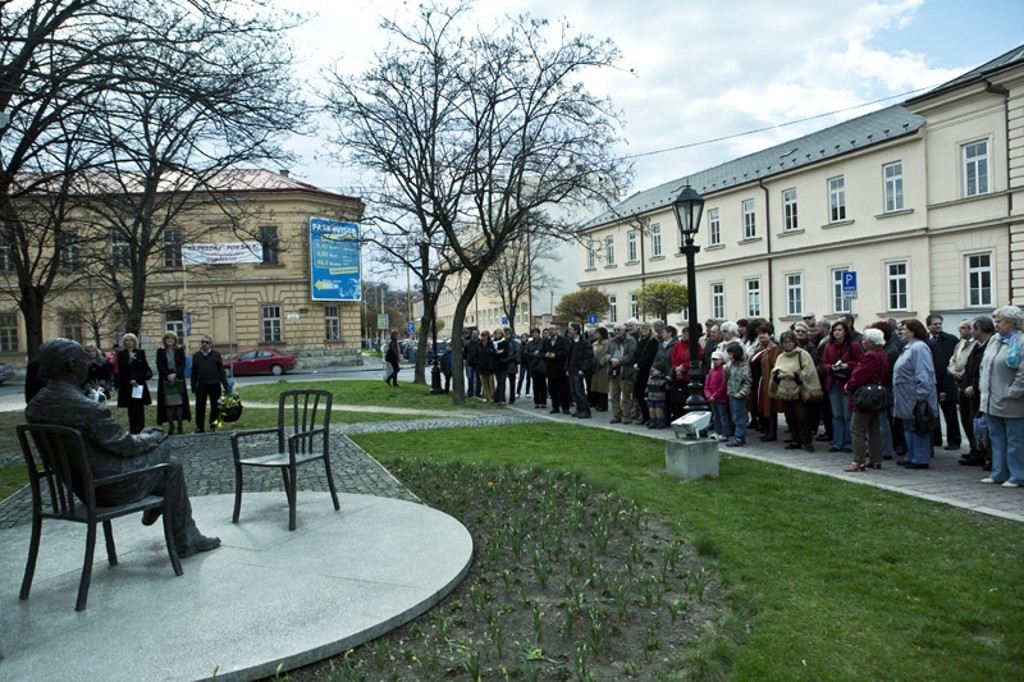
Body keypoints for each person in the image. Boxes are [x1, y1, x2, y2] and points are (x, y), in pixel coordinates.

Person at [25, 338, 220, 557]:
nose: (86, 365)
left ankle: (173, 523)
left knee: (171, 465)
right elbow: (125, 445)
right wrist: (152, 436)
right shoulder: (87, 409)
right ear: (71, 365)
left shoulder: (35, 408)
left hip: (81, 489)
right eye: (82, 361)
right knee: (165, 449)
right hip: (110, 487)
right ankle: (182, 535)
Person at [979, 306, 1024, 487]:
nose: (996, 325)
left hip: (1012, 400)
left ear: (1012, 323)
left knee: (1015, 440)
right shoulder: (994, 341)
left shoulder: (1020, 342)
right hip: (990, 399)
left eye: (1000, 321)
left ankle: (1017, 475)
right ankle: (998, 473)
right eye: (996, 321)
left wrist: (1013, 391)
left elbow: (1022, 372)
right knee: (996, 439)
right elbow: (984, 366)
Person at [893, 319, 939, 469]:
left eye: (904, 329)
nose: (901, 331)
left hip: (915, 395)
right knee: (908, 425)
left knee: (919, 426)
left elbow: (924, 372)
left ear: (913, 331)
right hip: (905, 394)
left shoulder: (919, 347)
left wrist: (922, 393)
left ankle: (920, 458)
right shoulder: (908, 347)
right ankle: (911, 455)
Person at [843, 328, 891, 471]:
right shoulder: (882, 354)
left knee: (857, 430)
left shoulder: (870, 356)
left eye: (864, 339)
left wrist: (848, 386)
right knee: (873, 429)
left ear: (871, 342)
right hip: (877, 394)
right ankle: (876, 459)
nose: (862, 342)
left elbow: (859, 376)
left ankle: (858, 460)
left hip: (866, 396)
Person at [768, 330, 822, 453]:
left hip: (798, 390)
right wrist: (778, 376)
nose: (787, 344)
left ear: (794, 342)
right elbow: (775, 372)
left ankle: (807, 441)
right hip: (785, 390)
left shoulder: (802, 354)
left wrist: (795, 375)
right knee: (789, 417)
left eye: (789, 342)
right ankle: (795, 440)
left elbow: (810, 372)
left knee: (802, 416)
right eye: (784, 342)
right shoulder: (781, 356)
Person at [822, 320, 864, 453]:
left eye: (840, 330)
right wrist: (831, 367)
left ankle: (848, 443)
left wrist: (848, 365)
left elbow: (861, 362)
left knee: (847, 415)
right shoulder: (828, 346)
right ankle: (837, 442)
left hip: (847, 383)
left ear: (846, 331)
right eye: (835, 330)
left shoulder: (854, 345)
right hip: (833, 382)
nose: (837, 333)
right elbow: (824, 364)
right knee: (836, 415)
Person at [959, 316, 994, 467]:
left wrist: (974, 386)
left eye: (972, 328)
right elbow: (970, 366)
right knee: (970, 422)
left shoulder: (990, 346)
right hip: (967, 390)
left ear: (979, 329)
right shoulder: (977, 345)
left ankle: (984, 454)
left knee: (981, 425)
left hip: (979, 393)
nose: (971, 332)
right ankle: (976, 450)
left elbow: (982, 370)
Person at [926, 314, 962, 451]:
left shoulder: (950, 339)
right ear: (928, 326)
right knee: (933, 412)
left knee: (950, 412)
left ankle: (954, 440)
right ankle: (936, 438)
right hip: (932, 380)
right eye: (935, 324)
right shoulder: (925, 341)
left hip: (947, 380)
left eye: (940, 323)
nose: (938, 326)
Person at [948, 319, 976, 457]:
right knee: (964, 418)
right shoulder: (960, 343)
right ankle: (972, 447)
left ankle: (978, 449)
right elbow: (952, 360)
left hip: (970, 385)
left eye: (964, 328)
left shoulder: (976, 344)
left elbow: (972, 362)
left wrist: (964, 372)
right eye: (959, 328)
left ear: (972, 329)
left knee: (972, 418)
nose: (960, 330)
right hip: (959, 384)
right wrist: (953, 371)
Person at [191, 334, 230, 433]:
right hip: (201, 385)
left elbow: (221, 371)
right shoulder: (196, 356)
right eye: (202, 342)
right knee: (200, 407)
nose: (204, 344)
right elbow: (194, 373)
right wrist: (193, 386)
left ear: (211, 344)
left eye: (207, 342)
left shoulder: (216, 355)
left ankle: (214, 425)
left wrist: (226, 385)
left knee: (216, 406)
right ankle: (199, 427)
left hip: (214, 383)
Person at [116, 332, 153, 435]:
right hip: (127, 384)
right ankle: (133, 431)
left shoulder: (140, 352)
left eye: (131, 340)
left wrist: (136, 379)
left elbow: (144, 368)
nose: (129, 342)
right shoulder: (121, 354)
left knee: (139, 408)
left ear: (134, 341)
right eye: (127, 340)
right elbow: (122, 370)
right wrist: (130, 380)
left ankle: (141, 429)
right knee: (131, 409)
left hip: (139, 384)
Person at [751, 323, 782, 442]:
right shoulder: (759, 349)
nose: (761, 336)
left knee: (770, 407)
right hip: (758, 381)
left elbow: (774, 365)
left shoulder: (773, 348)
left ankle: (772, 432)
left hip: (767, 380)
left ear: (770, 335)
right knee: (762, 407)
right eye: (759, 334)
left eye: (764, 334)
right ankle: (766, 429)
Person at [156, 332, 191, 435]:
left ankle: (180, 425)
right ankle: (171, 425)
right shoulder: (160, 352)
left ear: (175, 340)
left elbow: (182, 364)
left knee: (179, 403)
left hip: (178, 379)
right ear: (165, 340)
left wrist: (175, 374)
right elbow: (159, 365)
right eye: (167, 338)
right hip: (166, 379)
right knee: (168, 404)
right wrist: (168, 375)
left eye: (172, 338)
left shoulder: (180, 351)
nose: (169, 340)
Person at [604, 323, 637, 424]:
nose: (616, 332)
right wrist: (610, 359)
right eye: (614, 330)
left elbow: (631, 355)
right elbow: (606, 353)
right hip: (613, 370)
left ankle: (626, 415)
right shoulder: (611, 341)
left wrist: (619, 361)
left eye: (618, 330)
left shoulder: (630, 340)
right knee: (614, 394)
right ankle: (616, 415)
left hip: (625, 370)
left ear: (624, 330)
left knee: (626, 395)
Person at [724, 342, 751, 447]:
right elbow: (726, 380)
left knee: (739, 416)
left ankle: (739, 437)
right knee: (734, 416)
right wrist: (725, 373)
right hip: (731, 393)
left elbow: (747, 382)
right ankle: (738, 436)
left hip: (739, 394)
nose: (730, 357)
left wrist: (742, 393)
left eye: (731, 354)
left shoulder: (744, 366)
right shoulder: (731, 365)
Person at [632, 322, 659, 427]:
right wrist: (636, 363)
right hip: (639, 369)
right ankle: (644, 415)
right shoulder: (641, 341)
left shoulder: (653, 342)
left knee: (644, 393)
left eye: (646, 330)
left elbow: (649, 356)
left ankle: (648, 416)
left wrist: (639, 364)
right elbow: (637, 354)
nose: (644, 332)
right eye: (642, 330)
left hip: (646, 370)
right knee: (638, 392)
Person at [566, 323, 594, 419]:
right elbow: (569, 357)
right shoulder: (571, 342)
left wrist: (583, 369)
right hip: (571, 369)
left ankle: (586, 410)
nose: (569, 331)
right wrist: (567, 368)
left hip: (579, 370)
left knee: (579, 391)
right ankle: (579, 409)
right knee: (573, 392)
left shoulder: (584, 342)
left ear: (576, 330)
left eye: (571, 329)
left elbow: (588, 357)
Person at [544, 324, 571, 414]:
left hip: (561, 368)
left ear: (556, 330)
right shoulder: (546, 341)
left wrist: (556, 355)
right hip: (550, 369)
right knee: (552, 390)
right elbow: (541, 352)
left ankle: (565, 407)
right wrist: (545, 355)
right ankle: (555, 407)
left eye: (553, 329)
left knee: (563, 389)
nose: (551, 331)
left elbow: (566, 352)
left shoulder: (562, 340)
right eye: (549, 329)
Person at [704, 350, 730, 441]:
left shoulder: (724, 371)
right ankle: (717, 431)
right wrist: (708, 395)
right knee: (715, 416)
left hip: (720, 398)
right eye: (713, 360)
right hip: (712, 398)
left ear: (722, 360)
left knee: (723, 416)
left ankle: (724, 433)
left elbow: (724, 385)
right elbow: (706, 385)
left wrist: (714, 395)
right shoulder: (711, 371)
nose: (715, 362)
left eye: (716, 360)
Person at [525, 328, 548, 409]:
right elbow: (526, 354)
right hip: (533, 366)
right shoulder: (530, 344)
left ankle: (543, 401)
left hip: (542, 366)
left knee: (543, 385)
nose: (535, 335)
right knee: (535, 385)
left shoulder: (543, 342)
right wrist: (532, 354)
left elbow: (545, 353)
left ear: (539, 334)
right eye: (533, 333)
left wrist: (539, 354)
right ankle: (537, 401)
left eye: (536, 333)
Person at [588, 327, 609, 412]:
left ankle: (604, 405)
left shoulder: (607, 343)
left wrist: (601, 363)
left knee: (603, 387)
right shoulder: (595, 344)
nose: (596, 335)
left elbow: (606, 354)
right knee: (596, 386)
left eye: (598, 333)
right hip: (595, 367)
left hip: (603, 368)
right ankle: (597, 403)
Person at [645, 361, 669, 428]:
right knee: (651, 410)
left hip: (660, 398)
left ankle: (660, 422)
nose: (653, 372)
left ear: (659, 371)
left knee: (659, 411)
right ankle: (653, 422)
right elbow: (647, 387)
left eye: (654, 370)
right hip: (651, 397)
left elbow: (667, 389)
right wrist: (646, 395)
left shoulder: (664, 379)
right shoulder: (650, 378)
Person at [477, 329, 497, 402]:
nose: (483, 337)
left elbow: (494, 354)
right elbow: (476, 355)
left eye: (484, 335)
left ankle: (492, 396)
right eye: (482, 335)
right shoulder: (479, 345)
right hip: (482, 366)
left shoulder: (491, 344)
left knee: (491, 382)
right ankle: (486, 396)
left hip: (490, 366)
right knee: (484, 383)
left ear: (488, 336)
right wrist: (478, 363)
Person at [463, 328, 482, 398]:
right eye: (474, 333)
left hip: (479, 364)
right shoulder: (467, 343)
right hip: (470, 363)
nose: (475, 335)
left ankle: (478, 392)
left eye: (476, 333)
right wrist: (467, 359)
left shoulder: (481, 343)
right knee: (470, 377)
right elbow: (464, 354)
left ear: (478, 334)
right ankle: (470, 391)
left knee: (478, 378)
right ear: (471, 334)